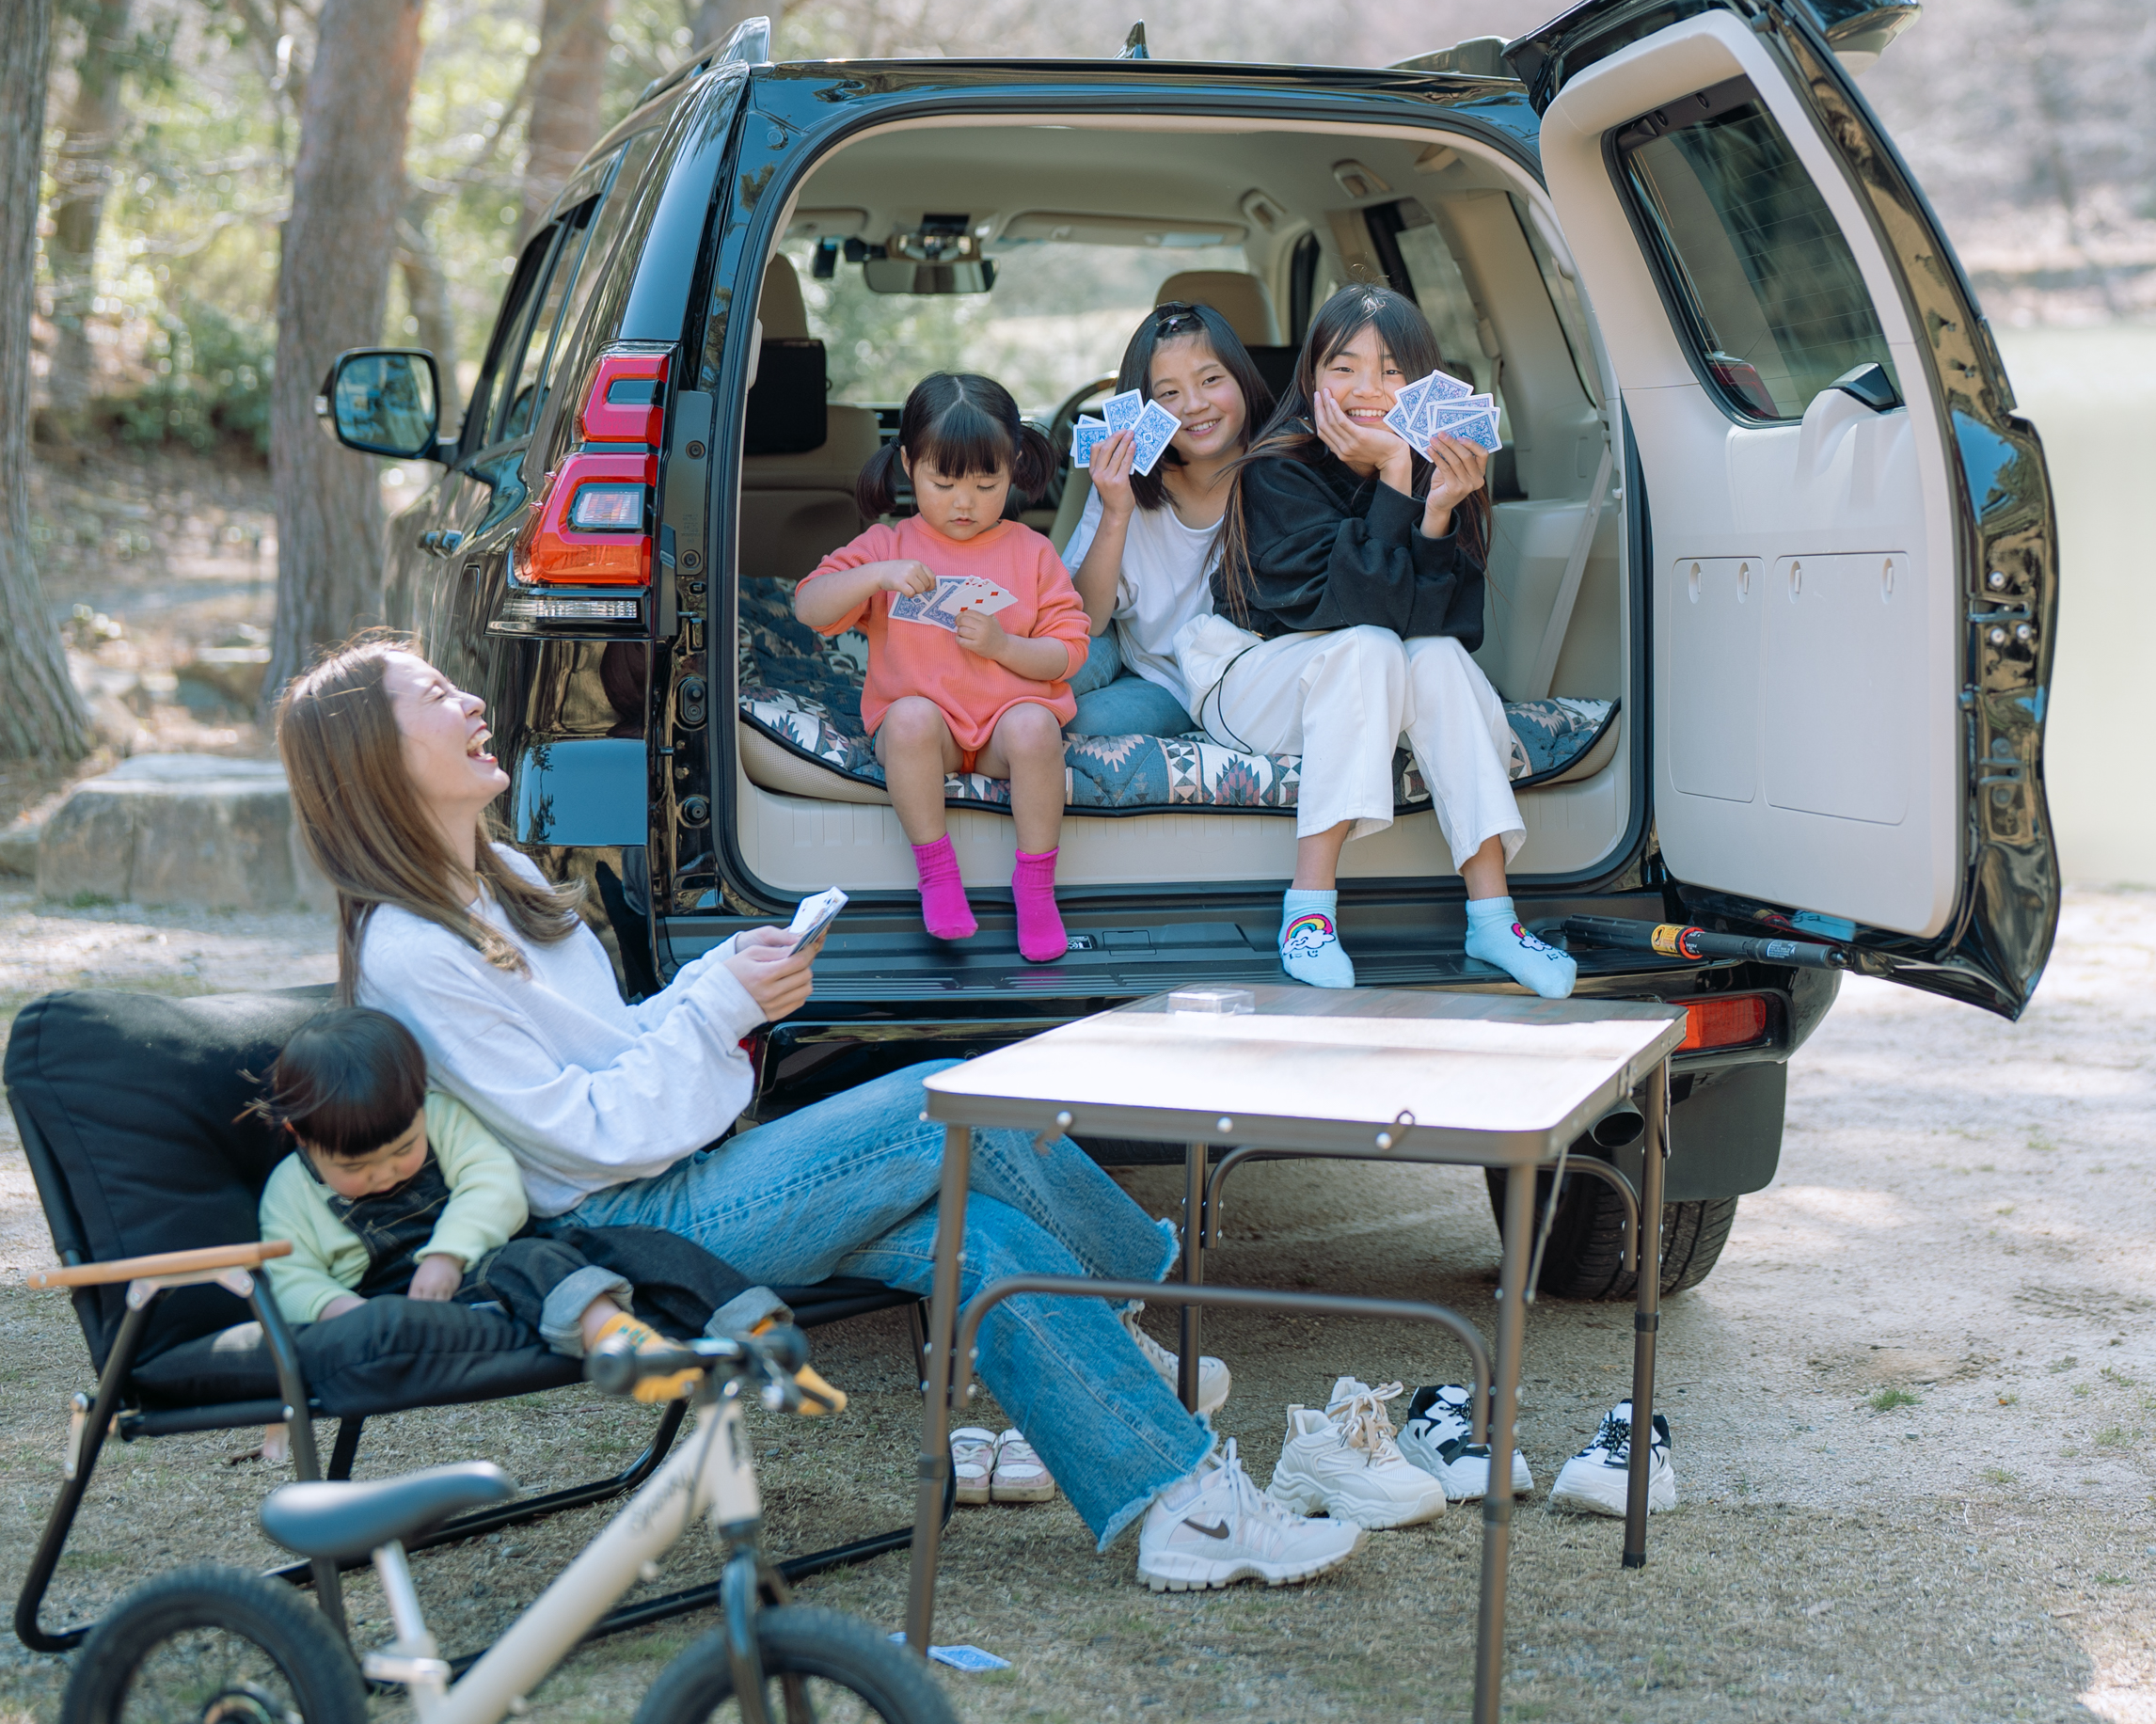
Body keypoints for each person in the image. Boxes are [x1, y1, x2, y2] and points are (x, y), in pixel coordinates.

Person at [275, 635, 1358, 1593]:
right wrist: (721, 1013)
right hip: (611, 1229)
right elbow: (580, 1137)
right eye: (432, 695)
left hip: (671, 1180)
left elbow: (607, 1050)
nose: (468, 701)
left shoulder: (497, 875)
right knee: (946, 1106)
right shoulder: (412, 950)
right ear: (374, 757)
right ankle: (1136, 1318)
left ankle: (1187, 1512)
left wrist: (715, 991)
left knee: (973, 1236)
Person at [1181, 284, 1576, 996]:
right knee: (1366, 643)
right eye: (1344, 367)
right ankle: (1308, 911)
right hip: (1251, 679)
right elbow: (1350, 607)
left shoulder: (1442, 467)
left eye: (1393, 370)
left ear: (1425, 383)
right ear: (1311, 379)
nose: (1368, 389)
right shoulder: (1277, 468)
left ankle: (1493, 916)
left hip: (1368, 679)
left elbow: (1443, 625)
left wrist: (1436, 511)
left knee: (1440, 656)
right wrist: (1395, 473)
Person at [252, 1005, 841, 1412]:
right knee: (526, 1261)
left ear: (419, 1106)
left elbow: (493, 1184)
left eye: (404, 1150)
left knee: (623, 1243)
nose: (383, 1173)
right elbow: (288, 1273)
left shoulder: (441, 1118)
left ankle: (755, 1328)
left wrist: (449, 1252)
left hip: (479, 1253)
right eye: (354, 1170)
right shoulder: (291, 1192)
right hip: (411, 1294)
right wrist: (337, 1310)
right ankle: (618, 1344)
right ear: (302, 1136)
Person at [796, 372, 1091, 958]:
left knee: (1036, 727)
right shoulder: (888, 545)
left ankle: (1035, 887)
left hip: (1004, 729)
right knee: (907, 719)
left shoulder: (1031, 551)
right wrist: (877, 575)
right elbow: (809, 604)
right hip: (930, 737)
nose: (964, 502)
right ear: (909, 465)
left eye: (987, 484)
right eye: (944, 481)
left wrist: (1004, 647)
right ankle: (937, 872)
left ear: (1013, 469)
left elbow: (1070, 650)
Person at [1056, 304, 1269, 740]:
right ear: (1143, 409)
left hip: (1196, 684)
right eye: (1168, 394)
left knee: (1082, 723)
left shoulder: (1282, 479)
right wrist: (1116, 510)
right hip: (1127, 647)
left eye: (1211, 380)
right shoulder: (1128, 478)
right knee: (1034, 672)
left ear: (1242, 379)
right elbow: (1086, 620)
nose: (1194, 405)